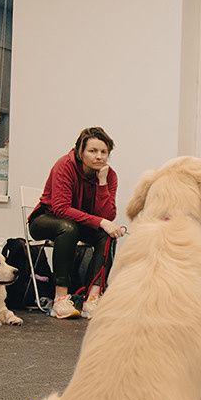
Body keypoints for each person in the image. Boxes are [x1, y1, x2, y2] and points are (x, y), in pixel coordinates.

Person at [27, 126, 122, 319]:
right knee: (68, 228)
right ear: (80, 151)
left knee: (107, 233)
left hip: (79, 225)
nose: (99, 157)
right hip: (46, 220)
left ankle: (93, 298)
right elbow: (61, 209)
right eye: (93, 151)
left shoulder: (109, 175)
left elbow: (107, 215)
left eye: (104, 152)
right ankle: (60, 299)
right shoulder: (65, 165)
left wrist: (102, 183)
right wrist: (100, 221)